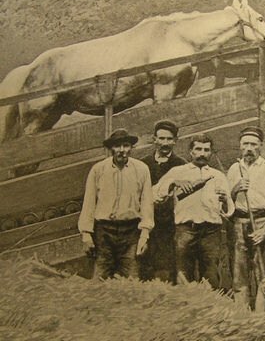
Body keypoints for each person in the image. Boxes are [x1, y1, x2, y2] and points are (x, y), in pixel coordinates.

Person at [153, 134, 234, 288]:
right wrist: (173, 183)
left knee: (211, 275)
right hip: (185, 230)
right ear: (191, 151)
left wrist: (225, 201)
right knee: (183, 275)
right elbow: (155, 194)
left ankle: (211, 309)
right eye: (198, 149)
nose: (202, 153)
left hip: (211, 232)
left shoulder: (218, 176)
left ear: (211, 152)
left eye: (206, 150)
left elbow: (229, 210)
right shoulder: (177, 172)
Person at [78, 128, 154, 279]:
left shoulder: (141, 169)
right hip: (104, 231)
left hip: (130, 231)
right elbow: (89, 202)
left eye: (126, 146)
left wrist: (145, 234)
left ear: (131, 148)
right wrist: (86, 234)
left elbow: (147, 203)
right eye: (117, 146)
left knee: (132, 278)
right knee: (101, 276)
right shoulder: (98, 170)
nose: (122, 150)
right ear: (111, 148)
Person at [227, 126, 265, 310]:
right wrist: (235, 188)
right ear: (240, 146)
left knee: (262, 270)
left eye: (253, 144)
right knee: (239, 270)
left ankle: (261, 314)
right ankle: (241, 312)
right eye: (245, 144)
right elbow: (226, 201)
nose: (249, 148)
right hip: (239, 222)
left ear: (261, 146)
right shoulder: (234, 168)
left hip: (261, 221)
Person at [139, 120, 186, 282]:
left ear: (175, 141)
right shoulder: (143, 164)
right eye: (161, 138)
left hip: (169, 224)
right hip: (145, 221)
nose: (165, 143)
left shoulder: (181, 165)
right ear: (154, 139)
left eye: (169, 139)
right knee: (144, 263)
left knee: (167, 265)